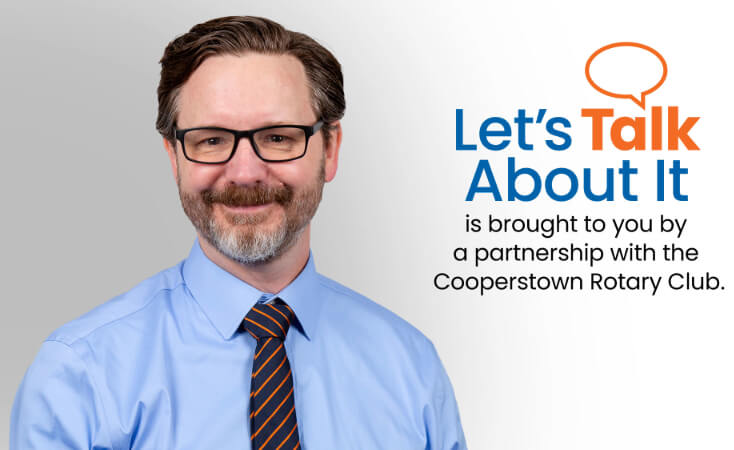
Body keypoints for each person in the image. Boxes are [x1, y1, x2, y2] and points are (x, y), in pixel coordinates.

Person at [10, 16, 466, 450]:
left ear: (330, 149)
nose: (245, 172)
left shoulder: (411, 367)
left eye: (278, 137)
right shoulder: (81, 374)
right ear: (174, 157)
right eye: (211, 139)